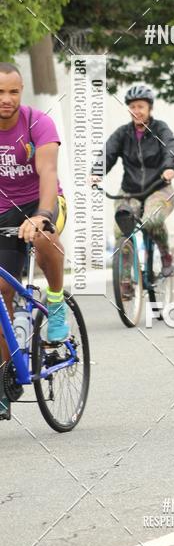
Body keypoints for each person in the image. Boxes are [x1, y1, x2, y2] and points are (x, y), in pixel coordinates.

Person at [0, 63, 68, 418]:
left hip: (42, 201)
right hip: (2, 212)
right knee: (0, 290)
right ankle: (5, 374)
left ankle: (55, 301)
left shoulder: (37, 123)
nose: (6, 99)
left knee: (43, 236)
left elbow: (48, 172)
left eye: (13, 91)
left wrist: (41, 214)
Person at [102, 85, 174, 286]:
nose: (136, 111)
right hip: (130, 192)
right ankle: (126, 280)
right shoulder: (123, 134)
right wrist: (95, 172)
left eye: (141, 106)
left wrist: (170, 168)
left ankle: (165, 254)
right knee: (122, 229)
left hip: (159, 189)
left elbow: (171, 149)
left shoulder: (160, 129)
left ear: (149, 108)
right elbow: (107, 154)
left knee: (152, 220)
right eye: (133, 107)